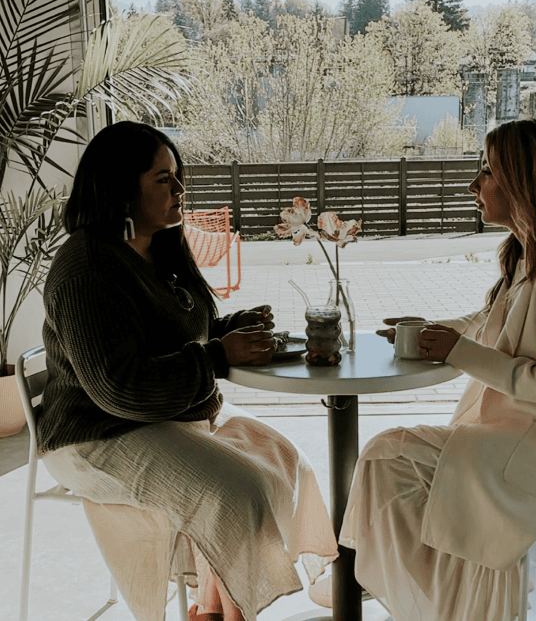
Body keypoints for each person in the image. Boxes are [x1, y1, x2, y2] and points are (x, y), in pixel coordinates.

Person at [37, 121, 337, 621]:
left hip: (164, 413)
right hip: (97, 432)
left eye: (179, 176)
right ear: (120, 187)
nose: (180, 189)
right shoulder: (87, 267)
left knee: (290, 462)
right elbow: (119, 386)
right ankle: (227, 612)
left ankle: (211, 606)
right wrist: (218, 357)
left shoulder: (156, 247)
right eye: (163, 179)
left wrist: (228, 329)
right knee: (235, 494)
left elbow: (172, 333)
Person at [338, 118, 536, 621]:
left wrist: (455, 351)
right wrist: (431, 331)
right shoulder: (527, 253)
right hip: (525, 433)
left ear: (526, 181)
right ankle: (446, 598)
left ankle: (433, 597)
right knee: (392, 464)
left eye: (487, 172)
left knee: (388, 457)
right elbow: (488, 320)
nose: (473, 185)